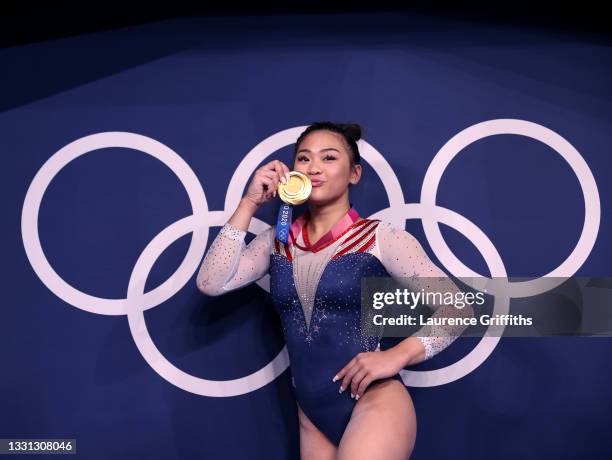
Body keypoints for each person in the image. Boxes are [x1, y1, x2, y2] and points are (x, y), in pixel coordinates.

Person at [196, 122, 473, 460]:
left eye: (329, 158)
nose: (314, 168)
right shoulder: (276, 241)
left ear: (354, 174)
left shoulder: (381, 238)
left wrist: (396, 355)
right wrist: (250, 202)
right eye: (303, 159)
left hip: (375, 401)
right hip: (311, 415)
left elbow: (458, 308)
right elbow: (210, 282)